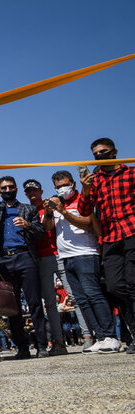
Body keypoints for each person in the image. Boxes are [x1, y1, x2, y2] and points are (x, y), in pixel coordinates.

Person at [0, 171, 49, 358]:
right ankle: (22, 347)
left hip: (25, 258)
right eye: (4, 188)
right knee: (12, 307)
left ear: (16, 189)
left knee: (35, 303)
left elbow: (41, 232)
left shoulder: (28, 210)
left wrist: (27, 225)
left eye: (10, 187)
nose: (7, 190)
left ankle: (42, 346)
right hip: (3, 260)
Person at [44, 170, 121, 353]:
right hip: (65, 257)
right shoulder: (57, 204)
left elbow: (87, 223)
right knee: (82, 300)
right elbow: (48, 228)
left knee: (93, 294)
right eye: (58, 187)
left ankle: (111, 336)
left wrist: (63, 211)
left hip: (86, 253)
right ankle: (100, 337)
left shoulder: (83, 201)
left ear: (73, 183)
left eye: (65, 185)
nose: (62, 189)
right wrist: (49, 212)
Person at [79, 137, 135, 354]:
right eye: (95, 154)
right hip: (111, 237)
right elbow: (85, 210)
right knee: (114, 286)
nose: (99, 156)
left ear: (114, 152)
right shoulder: (95, 179)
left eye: (103, 152)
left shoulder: (130, 172)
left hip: (131, 230)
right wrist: (85, 190)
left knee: (132, 283)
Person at [22, 179, 68, 356]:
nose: (32, 195)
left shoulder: (53, 204)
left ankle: (90, 337)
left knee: (75, 296)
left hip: (60, 253)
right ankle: (59, 341)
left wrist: (51, 209)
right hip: (40, 258)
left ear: (41, 191)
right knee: (49, 303)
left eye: (35, 191)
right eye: (29, 192)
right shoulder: (28, 211)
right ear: (25, 194)